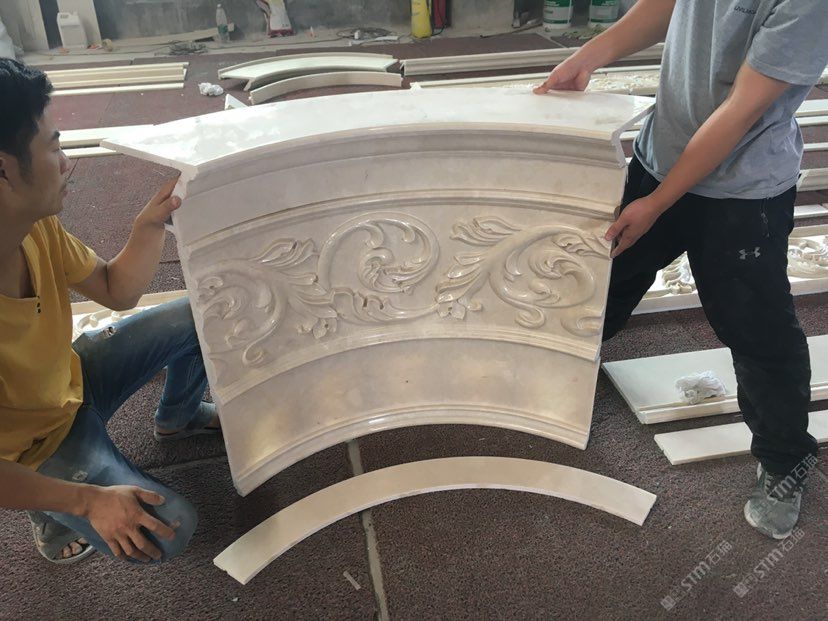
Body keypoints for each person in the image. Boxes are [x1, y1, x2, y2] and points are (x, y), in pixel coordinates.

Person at [535, 0, 827, 539]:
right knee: (601, 284)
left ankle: (785, 461)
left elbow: (741, 110)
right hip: (660, 157)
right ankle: (564, 378)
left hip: (743, 194)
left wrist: (658, 203)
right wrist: (589, 55)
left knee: (758, 332)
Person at [0, 58, 221, 564]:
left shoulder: (35, 226)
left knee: (205, 312)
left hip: (72, 379)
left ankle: (179, 417)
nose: (66, 162)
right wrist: (86, 501)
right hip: (32, 449)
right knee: (166, 532)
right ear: (4, 169)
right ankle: (50, 512)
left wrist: (149, 225)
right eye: (53, 147)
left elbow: (114, 289)